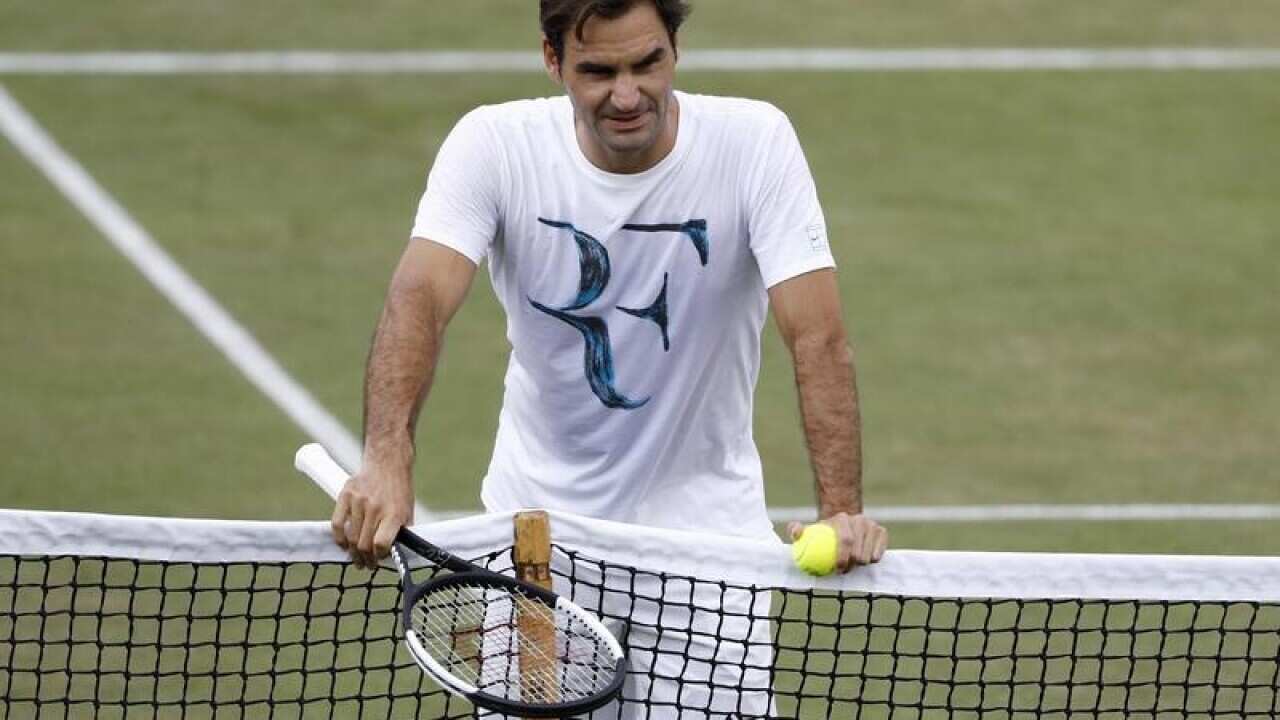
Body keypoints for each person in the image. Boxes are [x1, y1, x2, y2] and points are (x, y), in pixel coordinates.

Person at [333, 0, 888, 713]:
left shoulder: (755, 144)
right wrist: (386, 457)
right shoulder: (494, 146)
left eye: (646, 63)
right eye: (598, 71)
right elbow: (420, 298)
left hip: (705, 552)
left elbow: (817, 336)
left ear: (675, 50)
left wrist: (841, 511)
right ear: (552, 59)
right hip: (535, 547)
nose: (627, 96)